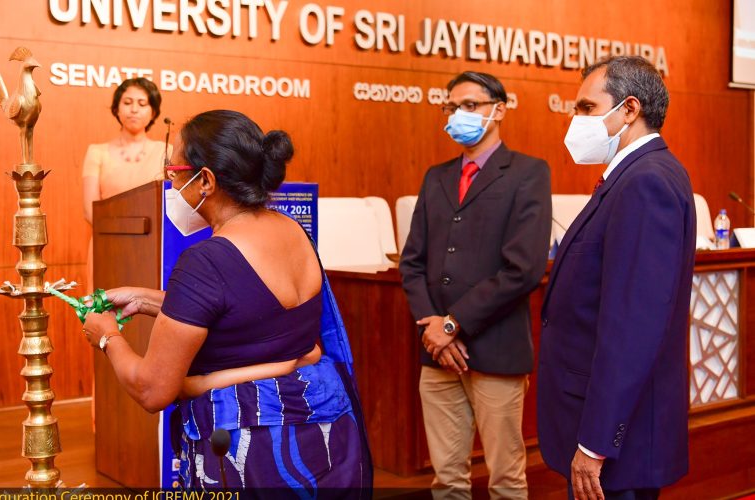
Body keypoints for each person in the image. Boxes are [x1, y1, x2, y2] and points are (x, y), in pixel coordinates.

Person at [81, 110, 372, 493]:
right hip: (319, 444)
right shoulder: (293, 230)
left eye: (174, 172)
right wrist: (148, 299)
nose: (171, 184)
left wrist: (106, 336)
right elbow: (252, 312)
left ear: (205, 180)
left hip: (248, 454)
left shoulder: (207, 261)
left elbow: (152, 389)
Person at [537, 55, 695, 500]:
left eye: (587, 108)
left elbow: (632, 327)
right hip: (602, 427)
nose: (576, 120)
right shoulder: (632, 176)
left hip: (613, 445)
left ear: (629, 109)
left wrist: (596, 443)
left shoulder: (646, 182)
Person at [399, 71, 552, 499]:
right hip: (437, 353)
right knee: (447, 481)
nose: (457, 115)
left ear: (499, 110)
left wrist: (453, 324)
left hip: (496, 350)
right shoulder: (437, 176)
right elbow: (412, 263)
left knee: (506, 481)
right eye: (451, 107)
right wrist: (434, 328)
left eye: (469, 105)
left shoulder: (528, 173)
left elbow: (523, 269)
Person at [82, 77, 172, 287]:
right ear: (116, 108)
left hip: (152, 249)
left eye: (142, 103)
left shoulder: (166, 151)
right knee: (106, 305)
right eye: (127, 102)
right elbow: (90, 212)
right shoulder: (97, 152)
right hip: (108, 245)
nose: (134, 110)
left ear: (153, 112)